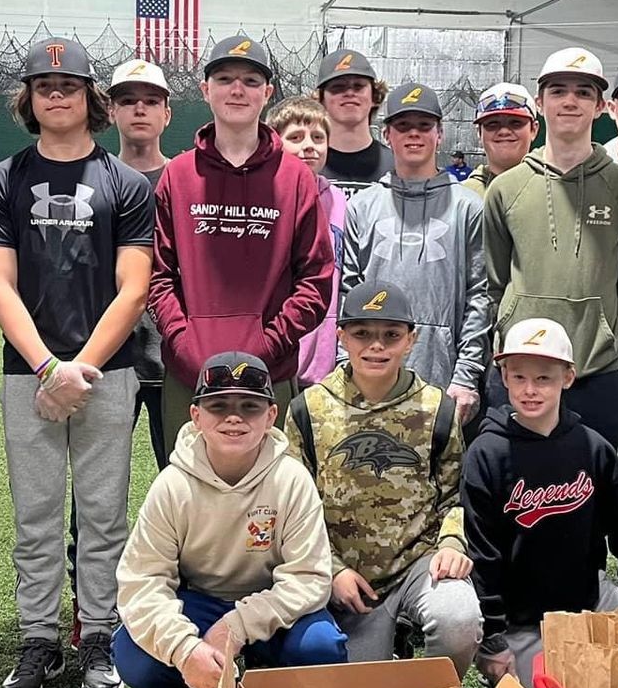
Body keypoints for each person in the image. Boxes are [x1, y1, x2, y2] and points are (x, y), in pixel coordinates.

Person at [0, 36, 153, 688]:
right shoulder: (1, 179)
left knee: (104, 515)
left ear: (89, 98)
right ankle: (39, 641)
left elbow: (133, 289)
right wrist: (50, 367)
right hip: (30, 374)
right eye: (44, 86)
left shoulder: (126, 183)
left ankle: (99, 637)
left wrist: (80, 369)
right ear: (28, 98)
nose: (56, 94)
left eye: (69, 86)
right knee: (37, 515)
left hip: (108, 373)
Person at [113, 351, 344, 688]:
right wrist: (184, 648)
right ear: (195, 416)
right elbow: (142, 580)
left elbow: (309, 578)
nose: (234, 417)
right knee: (134, 655)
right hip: (202, 601)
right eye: (218, 406)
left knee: (320, 647)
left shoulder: (292, 479)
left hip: (273, 606)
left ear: (271, 416)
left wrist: (237, 627)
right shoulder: (173, 484)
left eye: (249, 406)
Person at [149, 33, 334, 458]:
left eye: (251, 81)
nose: (237, 89)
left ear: (267, 93)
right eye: (226, 78)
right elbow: (159, 277)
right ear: (205, 90)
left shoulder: (295, 178)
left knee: (268, 505)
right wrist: (185, 346)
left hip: (268, 371)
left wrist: (265, 348)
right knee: (192, 504)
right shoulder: (178, 175)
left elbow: (316, 281)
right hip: (190, 374)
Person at [286, 282, 480, 674]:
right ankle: (386, 640)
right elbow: (292, 511)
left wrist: (453, 542)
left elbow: (455, 497)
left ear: (411, 340)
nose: (376, 346)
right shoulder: (309, 408)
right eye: (362, 334)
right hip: (345, 578)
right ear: (340, 336)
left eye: (391, 335)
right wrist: (332, 569)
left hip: (416, 563)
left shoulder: (436, 408)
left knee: (458, 618)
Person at [463, 318, 618, 688]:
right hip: (520, 622)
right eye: (519, 377)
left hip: (589, 602)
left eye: (544, 378)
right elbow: (482, 554)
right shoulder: (487, 453)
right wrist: (493, 637)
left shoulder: (592, 448)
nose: (530, 390)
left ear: (567, 378)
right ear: (503, 376)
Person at [483, 47, 618, 449]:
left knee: (592, 497)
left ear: (600, 107)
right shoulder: (506, 188)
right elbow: (495, 281)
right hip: (519, 371)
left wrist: (602, 332)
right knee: (514, 492)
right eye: (558, 91)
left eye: (583, 92)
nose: (570, 101)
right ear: (540, 104)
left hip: (596, 371)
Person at [341, 82, 490, 424]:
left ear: (440, 134)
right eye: (404, 126)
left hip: (442, 373)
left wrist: (466, 375)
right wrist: (343, 366)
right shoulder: (363, 207)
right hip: (370, 370)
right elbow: (347, 293)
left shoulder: (468, 207)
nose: (414, 135)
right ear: (387, 134)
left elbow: (479, 297)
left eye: (424, 126)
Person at [110, 57, 175, 469]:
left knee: (183, 476)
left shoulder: (186, 180)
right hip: (108, 355)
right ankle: (84, 540)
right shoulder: (92, 178)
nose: (139, 109)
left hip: (172, 357)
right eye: (128, 100)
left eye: (151, 101)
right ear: (111, 110)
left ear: (167, 114)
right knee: (96, 482)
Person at [267, 96, 345, 387]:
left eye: (318, 137)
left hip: (325, 359)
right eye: (296, 137)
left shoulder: (339, 202)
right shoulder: (264, 197)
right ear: (275, 142)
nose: (308, 146)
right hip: (274, 351)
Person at [314, 47, 393, 197]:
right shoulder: (307, 162)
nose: (349, 93)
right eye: (338, 87)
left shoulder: (396, 167)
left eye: (358, 86)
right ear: (321, 99)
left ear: (375, 96)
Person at [469, 83, 536, 197]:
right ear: (479, 133)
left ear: (534, 130)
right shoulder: (462, 197)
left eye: (515, 123)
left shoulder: (551, 191)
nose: (504, 131)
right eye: (492, 124)